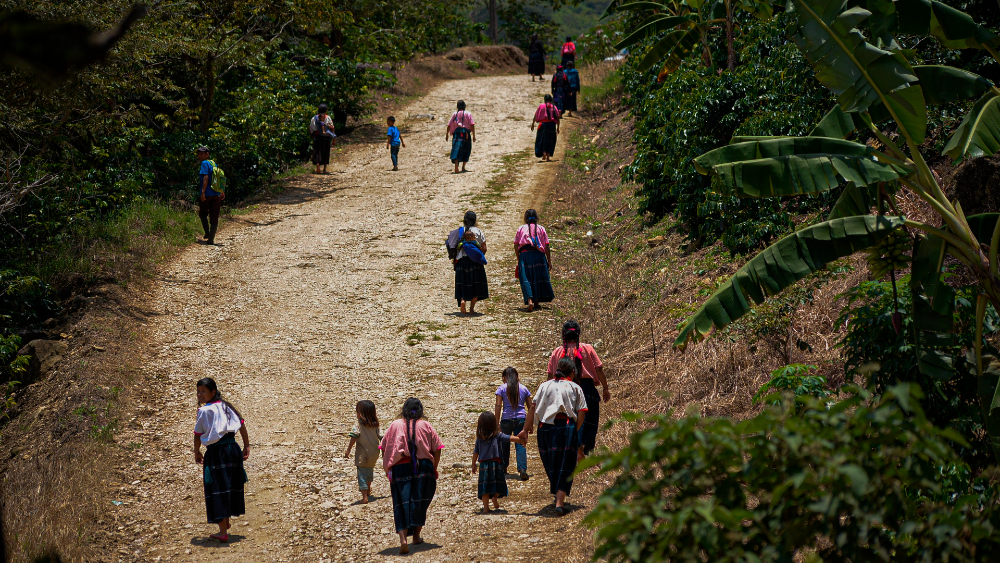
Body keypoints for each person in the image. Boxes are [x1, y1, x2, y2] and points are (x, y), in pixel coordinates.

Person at [379, 398, 443, 555]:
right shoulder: (426, 425)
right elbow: (438, 448)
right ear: (420, 411)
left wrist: (388, 467)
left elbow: (383, 446)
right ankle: (416, 535)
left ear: (404, 409)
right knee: (420, 502)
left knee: (400, 503)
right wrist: (434, 468)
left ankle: (403, 540)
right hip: (424, 468)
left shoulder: (394, 425)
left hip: (400, 467)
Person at [524, 357, 587, 516]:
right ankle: (559, 501)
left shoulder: (544, 385)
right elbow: (582, 412)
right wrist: (574, 430)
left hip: (545, 429)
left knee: (552, 463)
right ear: (573, 372)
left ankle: (558, 496)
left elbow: (533, 407)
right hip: (565, 426)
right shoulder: (574, 387)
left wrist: (525, 429)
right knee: (566, 464)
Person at [192, 377, 250, 542]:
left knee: (217, 487)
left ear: (212, 392)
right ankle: (226, 522)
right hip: (233, 449)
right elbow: (242, 424)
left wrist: (196, 452)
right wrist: (246, 445)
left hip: (216, 453)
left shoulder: (204, 411)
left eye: (203, 391)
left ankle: (222, 531)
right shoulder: (227, 406)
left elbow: (197, 435)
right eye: (198, 391)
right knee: (229, 485)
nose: (200, 394)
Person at [546, 320, 610, 455]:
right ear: (579, 334)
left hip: (562, 390)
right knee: (589, 420)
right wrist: (605, 388)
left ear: (563, 334)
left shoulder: (557, 352)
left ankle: (572, 448)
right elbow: (599, 369)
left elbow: (550, 376)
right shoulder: (588, 348)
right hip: (587, 389)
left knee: (569, 419)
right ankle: (584, 450)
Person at [471, 411, 527, 513]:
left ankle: (486, 507)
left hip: (484, 465)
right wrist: (521, 440)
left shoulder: (480, 438)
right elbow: (509, 438)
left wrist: (473, 464)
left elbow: (476, 452)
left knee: (484, 487)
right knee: (498, 483)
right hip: (495, 464)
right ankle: (495, 497)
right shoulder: (497, 435)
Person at [494, 366, 533, 480]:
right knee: (520, 443)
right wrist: (530, 424)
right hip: (521, 419)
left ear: (504, 378)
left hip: (506, 419)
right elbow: (531, 407)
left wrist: (497, 424)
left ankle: (503, 467)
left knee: (504, 443)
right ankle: (522, 469)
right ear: (517, 377)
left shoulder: (501, 389)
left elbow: (498, 406)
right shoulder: (524, 389)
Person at [515, 209, 555, 311]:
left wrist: (519, 258)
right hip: (539, 255)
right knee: (538, 277)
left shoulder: (521, 228)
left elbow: (516, 244)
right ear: (536, 218)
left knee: (526, 279)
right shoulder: (541, 228)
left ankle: (530, 301)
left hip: (525, 254)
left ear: (525, 218)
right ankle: (536, 301)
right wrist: (549, 261)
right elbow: (547, 246)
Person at [451, 210, 489, 315]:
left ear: (464, 220)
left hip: (461, 262)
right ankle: (472, 309)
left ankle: (463, 300)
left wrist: (455, 261)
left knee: (463, 284)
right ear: (475, 220)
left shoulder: (459, 231)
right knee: (476, 286)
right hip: (475, 262)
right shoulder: (478, 231)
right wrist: (478, 256)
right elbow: (484, 248)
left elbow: (453, 248)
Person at [344, 400, 381, 504]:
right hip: (374, 454)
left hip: (362, 455)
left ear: (361, 414)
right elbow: (381, 437)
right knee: (369, 470)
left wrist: (348, 450)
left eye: (357, 412)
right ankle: (369, 490)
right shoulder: (376, 425)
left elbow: (354, 437)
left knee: (361, 474)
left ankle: (364, 497)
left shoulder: (358, 425)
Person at [195, 146, 224, 245]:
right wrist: (221, 191)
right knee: (214, 215)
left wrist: (203, 192)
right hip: (216, 194)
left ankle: (207, 233)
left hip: (207, 194)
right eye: (198, 154)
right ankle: (211, 239)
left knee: (203, 212)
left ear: (207, 154)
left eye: (201, 154)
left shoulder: (204, 163)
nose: (199, 156)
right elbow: (219, 178)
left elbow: (206, 177)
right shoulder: (213, 163)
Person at [446, 100, 476, 173]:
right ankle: (463, 167)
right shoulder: (468, 114)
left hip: (457, 133)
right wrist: (474, 135)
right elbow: (472, 124)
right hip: (465, 133)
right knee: (466, 149)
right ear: (465, 106)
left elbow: (449, 125)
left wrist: (447, 134)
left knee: (456, 148)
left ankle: (456, 164)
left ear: (457, 107)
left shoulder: (455, 114)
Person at [531, 95, 561, 162]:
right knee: (550, 140)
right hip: (552, 125)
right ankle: (548, 157)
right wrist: (558, 128)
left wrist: (533, 124)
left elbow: (535, 115)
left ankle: (543, 152)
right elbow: (558, 118)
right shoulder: (554, 107)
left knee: (542, 139)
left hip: (543, 125)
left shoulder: (541, 106)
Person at [309, 103, 337, 174]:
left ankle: (318, 166)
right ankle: (324, 169)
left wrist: (313, 136)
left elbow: (311, 128)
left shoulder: (314, 118)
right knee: (325, 152)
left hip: (317, 137)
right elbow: (332, 128)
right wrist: (333, 139)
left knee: (318, 152)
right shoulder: (328, 118)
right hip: (326, 138)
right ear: (326, 110)